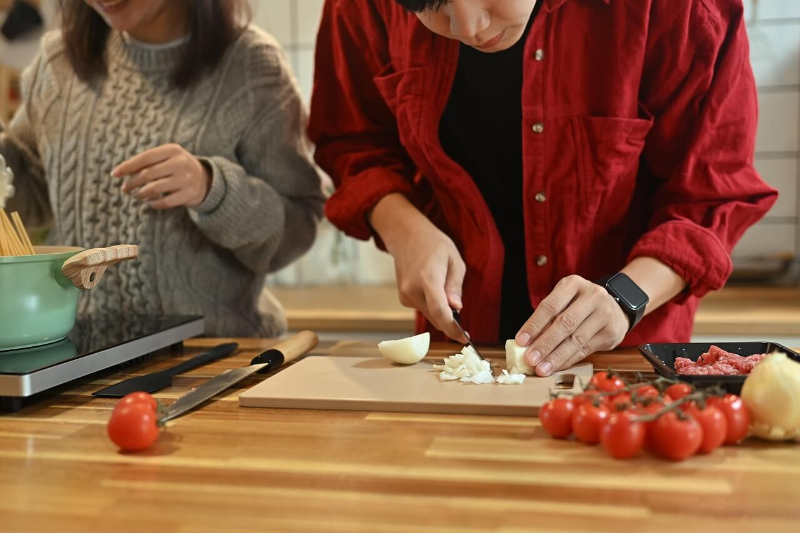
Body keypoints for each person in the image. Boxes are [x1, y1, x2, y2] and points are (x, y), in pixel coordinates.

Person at [309, 0, 778, 375]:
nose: (469, 25)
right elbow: (352, 140)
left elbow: (711, 193)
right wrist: (402, 226)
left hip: (629, 358)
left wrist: (625, 298)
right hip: (457, 353)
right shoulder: (360, 5)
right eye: (427, 5)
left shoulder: (684, 8)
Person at [0, 0, 325, 337]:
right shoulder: (59, 62)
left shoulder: (252, 66)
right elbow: (27, 191)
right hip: (85, 361)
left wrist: (212, 189)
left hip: (215, 359)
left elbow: (298, 228)